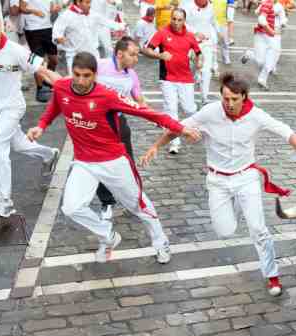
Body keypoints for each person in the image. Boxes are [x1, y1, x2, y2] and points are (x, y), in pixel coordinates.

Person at [140, 73, 296, 296]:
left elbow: (284, 130)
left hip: (246, 177)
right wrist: (156, 146)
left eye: (234, 99)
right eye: (225, 99)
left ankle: (272, 275)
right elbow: (177, 126)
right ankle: (237, 207)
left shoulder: (256, 115)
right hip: (218, 180)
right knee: (225, 230)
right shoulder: (210, 112)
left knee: (258, 229)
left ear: (244, 97)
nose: (229, 104)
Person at [26, 51, 202, 264]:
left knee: (138, 205)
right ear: (72, 72)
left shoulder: (107, 96)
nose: (81, 81)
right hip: (84, 162)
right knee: (71, 208)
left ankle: (160, 241)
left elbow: (148, 113)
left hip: (113, 161)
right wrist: (41, 126)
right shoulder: (63, 87)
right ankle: (108, 235)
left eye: (87, 76)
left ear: (95, 75)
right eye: (77, 75)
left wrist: (180, 128)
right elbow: (55, 107)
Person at [0, 10, 60, 218]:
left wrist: (68, 86)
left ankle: (5, 202)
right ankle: (49, 154)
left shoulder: (16, 50)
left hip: (13, 107)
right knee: (18, 144)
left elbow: (42, 71)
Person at [93, 37, 147, 220]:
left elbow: (140, 102)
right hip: (96, 125)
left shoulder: (131, 75)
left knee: (128, 163)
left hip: (119, 124)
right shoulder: (99, 66)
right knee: (99, 165)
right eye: (132, 55)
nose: (136, 59)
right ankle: (107, 202)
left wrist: (159, 119)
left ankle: (135, 199)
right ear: (119, 54)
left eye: (137, 55)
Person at [142, 8, 201, 154]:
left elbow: (199, 53)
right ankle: (174, 143)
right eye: (173, 19)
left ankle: (199, 126)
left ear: (184, 21)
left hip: (186, 78)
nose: (176, 22)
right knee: (171, 110)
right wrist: (159, 55)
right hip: (167, 79)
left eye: (179, 20)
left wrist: (199, 62)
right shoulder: (162, 32)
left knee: (189, 109)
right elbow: (146, 50)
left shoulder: (190, 36)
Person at [20, 0, 61, 102]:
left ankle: (47, 82)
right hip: (32, 29)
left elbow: (50, 9)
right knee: (38, 61)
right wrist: (34, 11)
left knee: (54, 60)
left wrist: (54, 10)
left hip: (48, 27)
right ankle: (40, 88)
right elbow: (22, 8)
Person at [181, 0, 218, 104]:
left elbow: (213, 22)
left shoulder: (210, 7)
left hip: (206, 43)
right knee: (190, 70)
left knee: (206, 70)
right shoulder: (187, 6)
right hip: (189, 43)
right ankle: (185, 96)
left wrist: (217, 33)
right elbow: (181, 23)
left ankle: (204, 97)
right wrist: (195, 32)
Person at [52, 0, 99, 75]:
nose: (90, 5)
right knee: (76, 82)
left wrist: (121, 26)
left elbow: (107, 21)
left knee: (96, 78)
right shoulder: (66, 16)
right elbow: (56, 34)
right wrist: (58, 39)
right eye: (87, 2)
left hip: (92, 54)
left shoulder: (92, 13)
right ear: (78, 2)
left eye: (90, 2)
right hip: (74, 56)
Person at [240, 0, 277, 89]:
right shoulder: (267, 3)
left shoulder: (270, 3)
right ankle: (249, 54)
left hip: (270, 37)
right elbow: (261, 19)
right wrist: (270, 30)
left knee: (270, 60)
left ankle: (262, 80)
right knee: (260, 61)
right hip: (261, 35)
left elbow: (257, 12)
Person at [212, 0, 232, 66]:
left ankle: (226, 58)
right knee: (213, 42)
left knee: (224, 41)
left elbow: (232, 5)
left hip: (223, 22)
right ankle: (213, 61)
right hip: (212, 23)